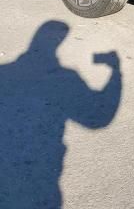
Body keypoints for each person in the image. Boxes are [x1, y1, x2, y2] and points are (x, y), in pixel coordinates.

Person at [0, 21, 122, 208]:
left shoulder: (4, 73)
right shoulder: (68, 77)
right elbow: (100, 118)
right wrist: (115, 71)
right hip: (41, 183)